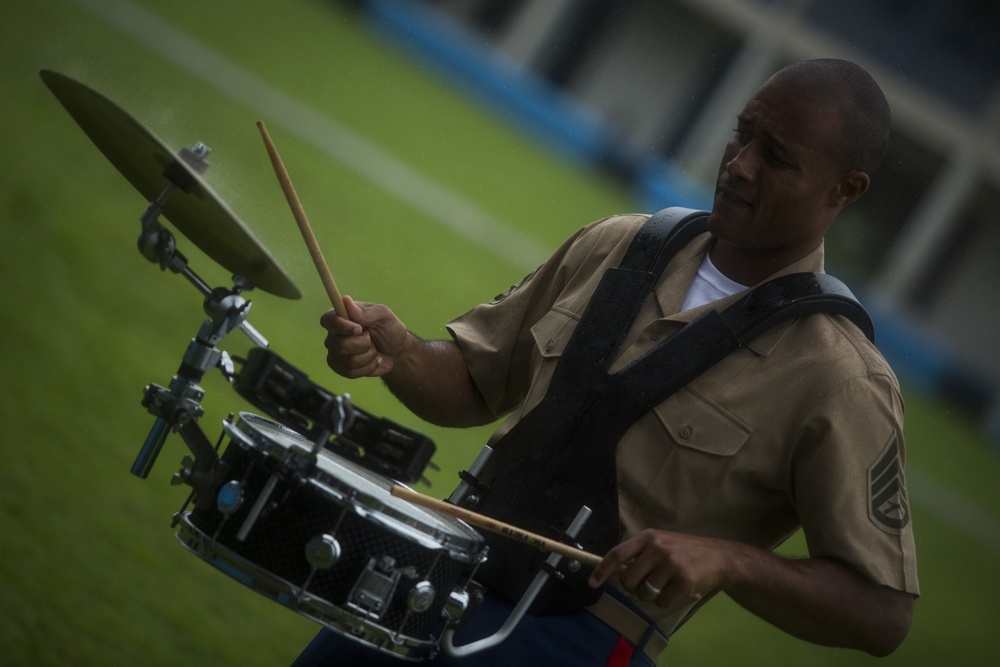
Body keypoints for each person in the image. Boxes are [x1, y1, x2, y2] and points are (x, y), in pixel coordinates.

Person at [293, 58, 918, 666]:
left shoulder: (841, 377)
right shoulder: (618, 244)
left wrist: (729, 561)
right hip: (436, 566)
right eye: (742, 132)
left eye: (777, 156)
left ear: (846, 188)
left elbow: (880, 613)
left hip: (578, 640)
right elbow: (474, 384)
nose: (740, 164)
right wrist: (399, 354)